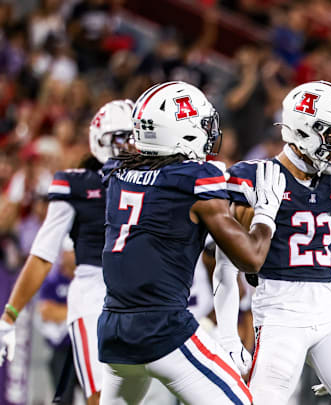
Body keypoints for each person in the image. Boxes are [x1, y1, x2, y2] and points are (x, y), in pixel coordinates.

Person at [97, 80, 285, 405]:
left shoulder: (118, 173)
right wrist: (266, 213)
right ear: (181, 131)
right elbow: (252, 258)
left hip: (113, 329)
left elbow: (165, 204)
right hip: (162, 328)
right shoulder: (195, 180)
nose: (209, 131)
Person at [214, 80, 331, 405]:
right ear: (305, 131)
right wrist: (227, 336)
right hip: (281, 315)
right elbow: (226, 264)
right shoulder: (256, 177)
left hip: (329, 312)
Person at [0, 99, 135, 405]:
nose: (132, 145)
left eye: (136, 137)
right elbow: (42, 255)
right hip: (94, 290)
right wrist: (10, 315)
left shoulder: (158, 182)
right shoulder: (76, 184)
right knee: (102, 396)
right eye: (123, 137)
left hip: (144, 294)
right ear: (102, 140)